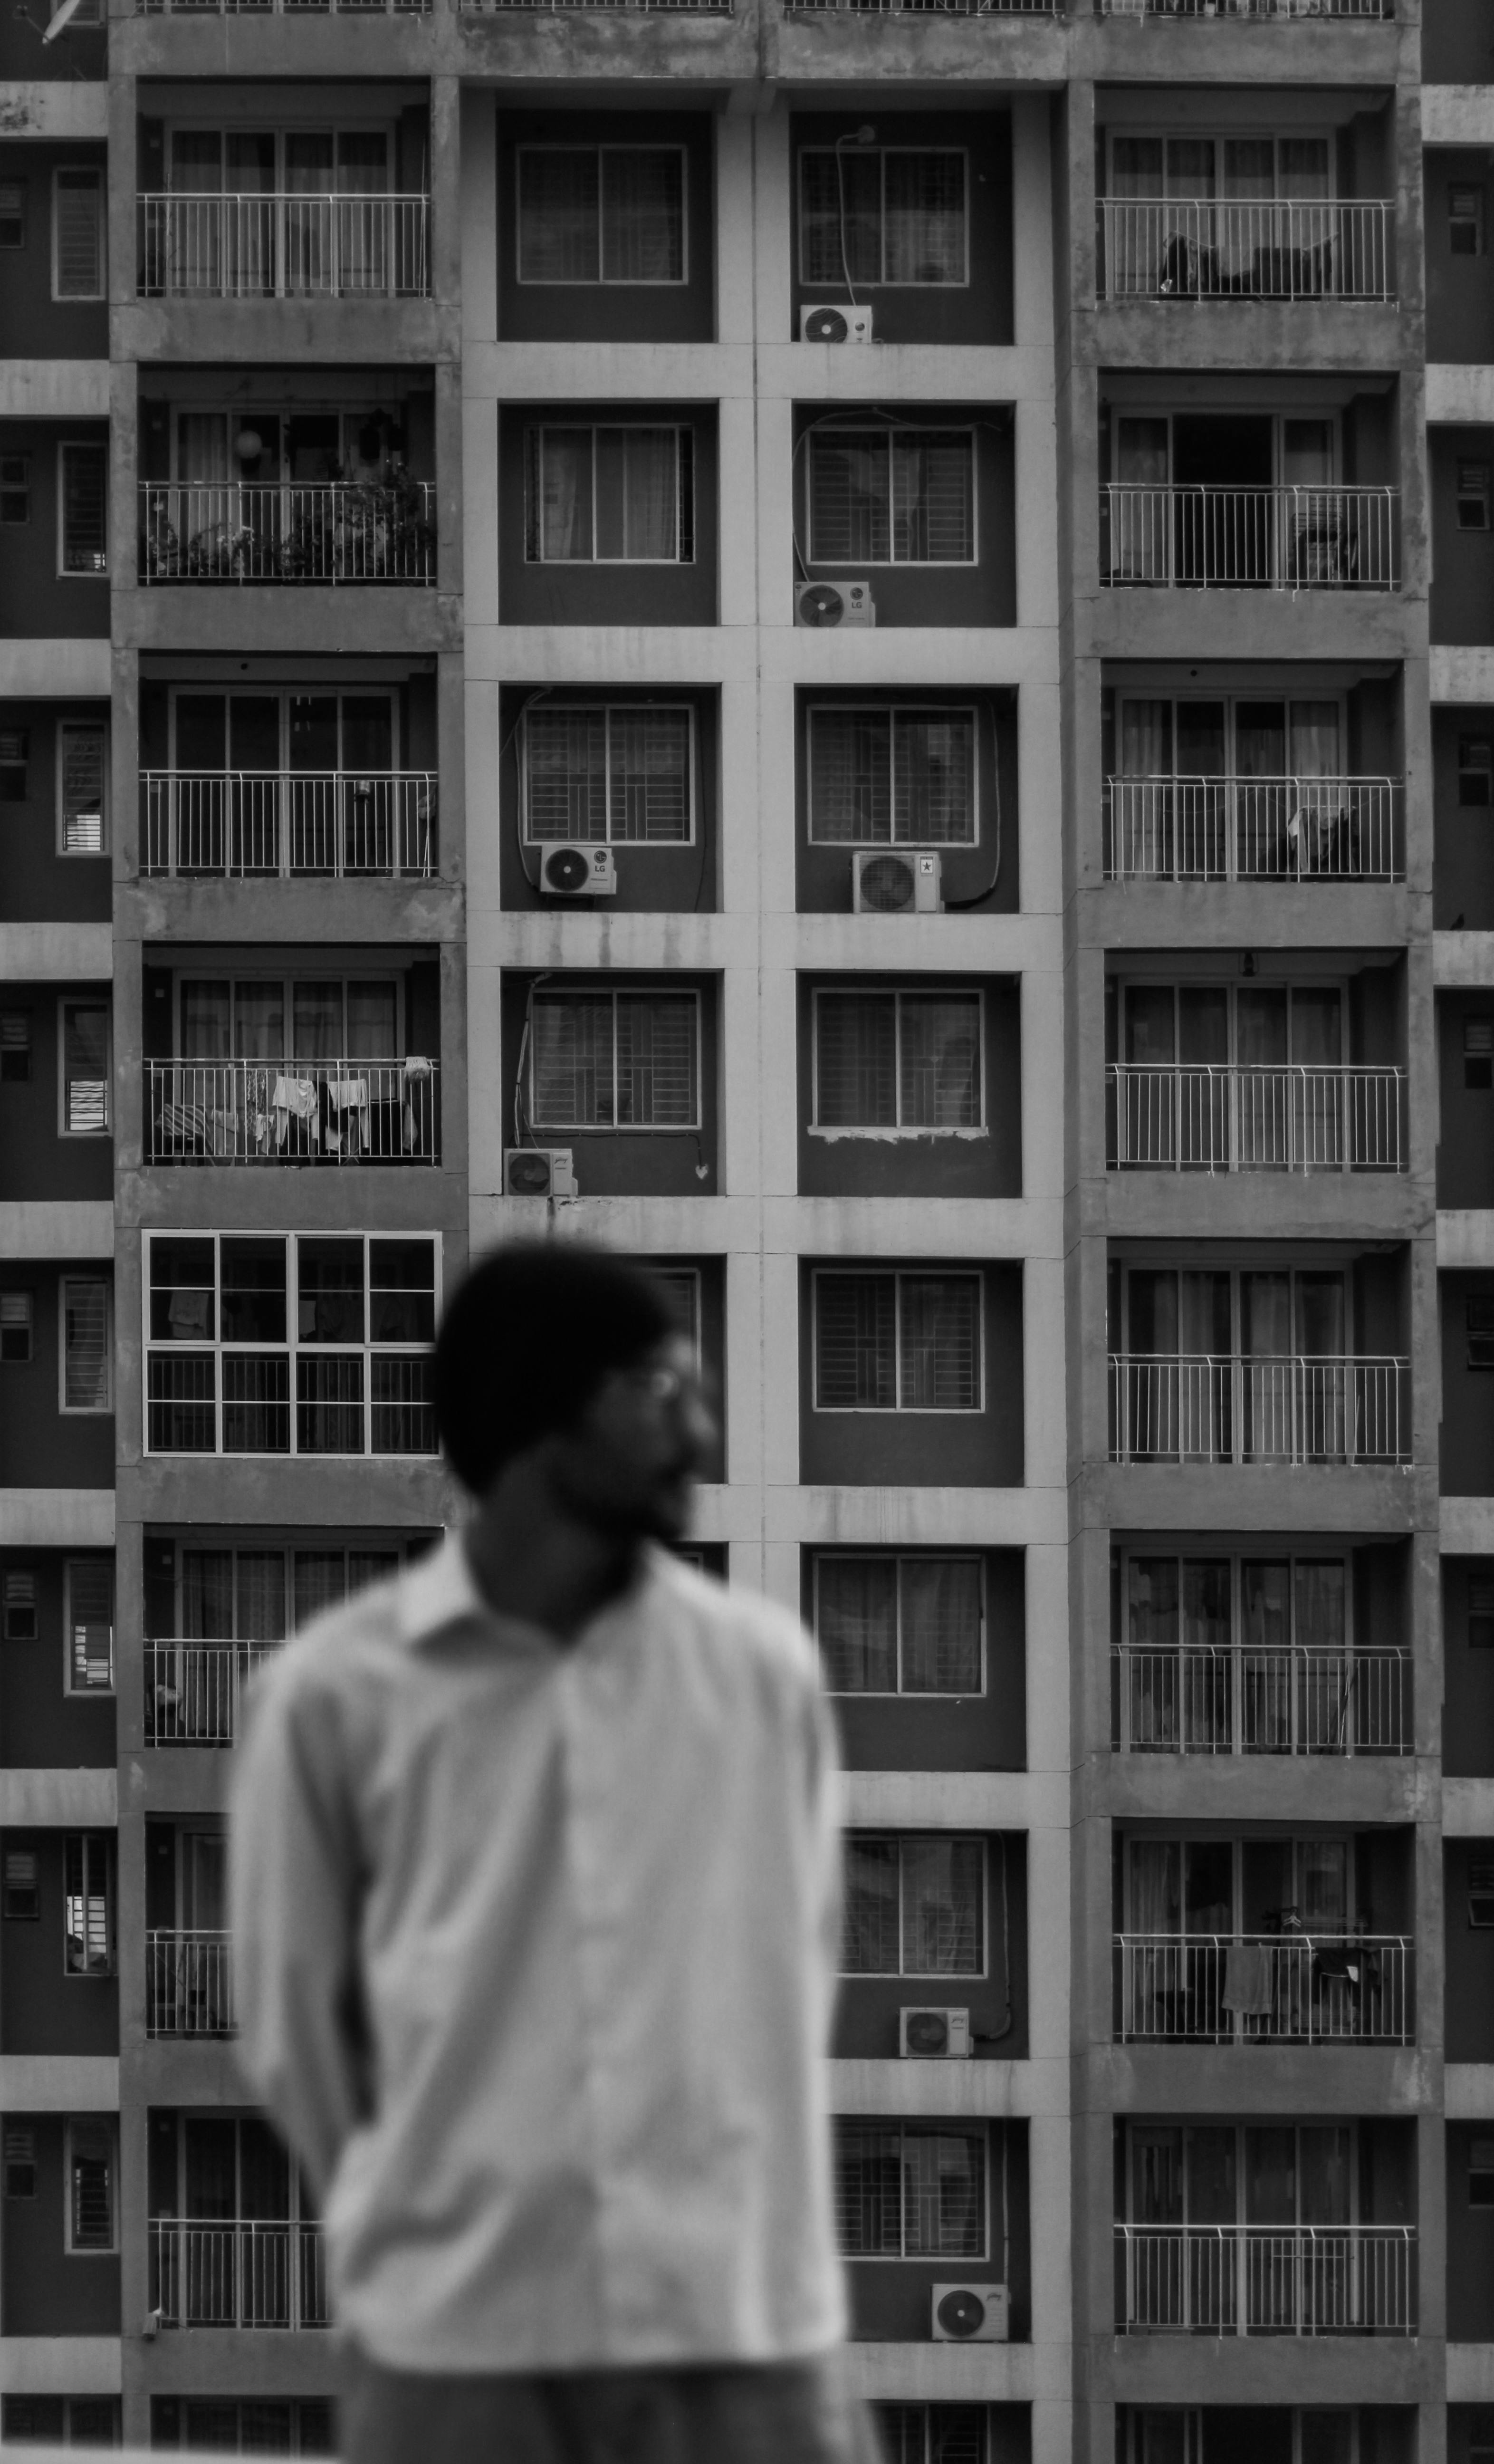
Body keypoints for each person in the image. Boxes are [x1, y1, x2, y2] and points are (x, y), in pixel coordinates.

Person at [230, 1241, 874, 2464]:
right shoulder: (330, 1701)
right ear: (536, 1410)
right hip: (457, 2361)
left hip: (740, 2340)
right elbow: (299, 2042)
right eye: (659, 1390)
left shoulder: (762, 1678)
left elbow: (798, 1977)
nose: (702, 1436)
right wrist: (452, 2213)